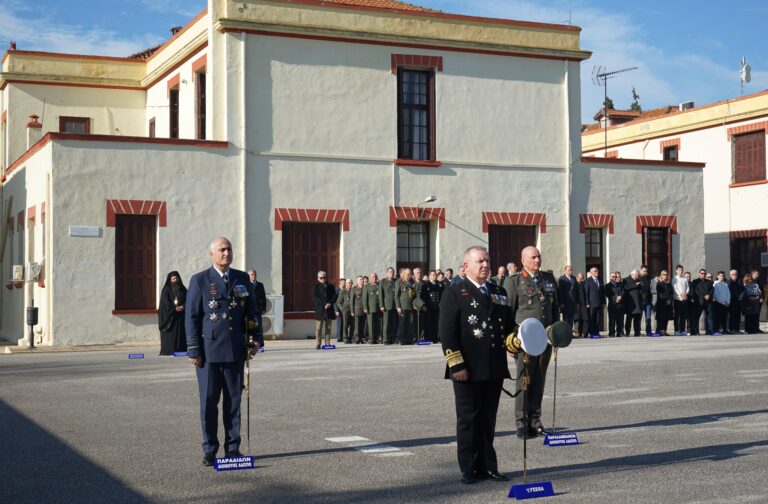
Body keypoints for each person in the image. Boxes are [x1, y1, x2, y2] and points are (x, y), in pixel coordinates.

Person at [185, 237, 262, 466]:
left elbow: (253, 312)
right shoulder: (200, 280)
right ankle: (209, 449)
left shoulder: (241, 279)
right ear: (212, 253)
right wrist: (193, 350)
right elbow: (192, 317)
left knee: (234, 402)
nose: (226, 253)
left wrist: (256, 339)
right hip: (208, 354)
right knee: (209, 403)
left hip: (236, 351)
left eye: (229, 249)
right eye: (222, 250)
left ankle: (233, 448)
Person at [440, 246, 513, 484]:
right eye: (480, 261)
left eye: (488, 261)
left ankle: (487, 466)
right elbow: (447, 334)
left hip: (493, 366)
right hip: (467, 368)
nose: (485, 265)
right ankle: (468, 468)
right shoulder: (455, 292)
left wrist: (518, 342)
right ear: (466, 266)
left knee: (488, 418)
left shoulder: (498, 291)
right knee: (468, 419)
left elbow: (509, 326)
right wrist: (456, 366)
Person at [504, 246, 558, 439]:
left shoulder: (548, 279)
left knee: (539, 379)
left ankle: (536, 420)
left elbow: (555, 310)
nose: (537, 260)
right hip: (524, 340)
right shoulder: (514, 281)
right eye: (533, 257)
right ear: (523, 260)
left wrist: (556, 334)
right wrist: (509, 342)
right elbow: (507, 314)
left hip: (544, 338)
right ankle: (521, 422)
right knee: (523, 380)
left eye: (538, 256)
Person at [159, 271, 188, 355]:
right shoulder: (166, 290)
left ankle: (181, 350)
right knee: (171, 334)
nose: (175, 280)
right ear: (170, 279)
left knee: (181, 333)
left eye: (176, 278)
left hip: (181, 315)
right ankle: (169, 350)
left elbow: (188, 299)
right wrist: (175, 308)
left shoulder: (183, 289)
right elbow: (165, 302)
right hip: (171, 316)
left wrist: (183, 306)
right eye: (173, 278)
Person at [312, 271, 338, 349]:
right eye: (321, 278)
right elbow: (315, 298)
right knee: (318, 328)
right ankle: (318, 343)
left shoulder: (331, 286)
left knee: (328, 327)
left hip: (329, 310)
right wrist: (324, 304)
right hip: (320, 310)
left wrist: (329, 303)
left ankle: (327, 342)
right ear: (318, 278)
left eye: (324, 277)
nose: (323, 279)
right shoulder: (315, 287)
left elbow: (334, 296)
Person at [395, 268, 417, 344]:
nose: (409, 276)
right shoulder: (399, 282)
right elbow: (397, 296)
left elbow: (414, 294)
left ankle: (409, 339)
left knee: (410, 323)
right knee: (402, 323)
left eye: (410, 274)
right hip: (402, 306)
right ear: (403, 274)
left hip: (410, 306)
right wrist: (398, 306)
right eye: (407, 274)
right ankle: (401, 339)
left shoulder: (412, 282)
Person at [422, 270, 443, 342]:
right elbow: (423, 296)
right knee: (429, 323)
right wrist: (423, 305)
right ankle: (428, 337)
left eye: (435, 275)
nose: (435, 276)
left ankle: (435, 338)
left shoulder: (439, 284)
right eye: (433, 275)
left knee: (436, 322)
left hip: (437, 306)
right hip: (428, 306)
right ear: (430, 276)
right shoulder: (426, 285)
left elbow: (442, 295)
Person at [379, 267, 398, 344]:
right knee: (386, 323)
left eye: (393, 272)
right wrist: (381, 305)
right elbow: (380, 294)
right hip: (387, 306)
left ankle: (392, 338)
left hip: (395, 305)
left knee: (393, 323)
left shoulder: (396, 281)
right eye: (390, 272)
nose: (392, 273)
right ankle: (386, 338)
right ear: (387, 273)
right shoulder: (383, 281)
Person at [363, 272, 382, 344]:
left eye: (375, 277)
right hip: (370, 308)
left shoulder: (378, 285)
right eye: (373, 277)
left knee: (377, 324)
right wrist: (365, 307)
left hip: (378, 308)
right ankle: (371, 339)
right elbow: (365, 298)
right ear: (370, 278)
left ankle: (376, 338)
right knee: (370, 325)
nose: (374, 278)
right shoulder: (367, 286)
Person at [584, 267, 604, 337]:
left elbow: (602, 292)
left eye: (597, 270)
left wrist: (603, 302)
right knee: (592, 318)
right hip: (591, 303)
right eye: (595, 271)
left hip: (599, 303)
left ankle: (597, 332)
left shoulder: (600, 280)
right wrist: (587, 303)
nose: (597, 272)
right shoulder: (588, 281)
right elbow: (586, 292)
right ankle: (592, 332)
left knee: (598, 319)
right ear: (591, 272)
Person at [622, 269, 643, 336]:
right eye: (637, 275)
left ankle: (637, 332)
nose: (638, 277)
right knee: (629, 319)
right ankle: (627, 332)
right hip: (630, 303)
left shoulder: (638, 280)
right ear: (632, 274)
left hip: (638, 302)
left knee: (637, 319)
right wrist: (635, 285)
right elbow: (626, 288)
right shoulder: (626, 280)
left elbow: (641, 290)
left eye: (638, 275)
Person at [605, 271, 625, 337]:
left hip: (620, 305)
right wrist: (615, 298)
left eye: (615, 277)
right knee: (612, 320)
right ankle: (611, 333)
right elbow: (608, 294)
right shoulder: (607, 285)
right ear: (610, 277)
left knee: (620, 320)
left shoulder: (620, 285)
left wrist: (620, 297)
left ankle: (619, 332)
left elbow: (623, 292)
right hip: (612, 305)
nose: (614, 278)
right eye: (613, 277)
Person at [671, 265, 689, 336]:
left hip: (684, 299)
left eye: (681, 270)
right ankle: (676, 330)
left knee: (683, 315)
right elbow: (674, 288)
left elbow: (687, 287)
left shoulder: (684, 279)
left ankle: (683, 330)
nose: (680, 271)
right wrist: (680, 294)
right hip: (677, 299)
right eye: (679, 270)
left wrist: (685, 293)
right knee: (677, 316)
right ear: (676, 271)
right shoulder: (674, 278)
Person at [655, 270, 673, 336]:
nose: (665, 276)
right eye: (663, 275)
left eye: (666, 275)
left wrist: (669, 300)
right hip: (661, 303)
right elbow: (660, 293)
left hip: (668, 303)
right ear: (661, 275)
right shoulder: (659, 283)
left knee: (666, 318)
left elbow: (671, 292)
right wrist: (662, 282)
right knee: (661, 318)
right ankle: (660, 331)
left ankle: (665, 331)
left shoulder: (669, 283)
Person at [727, 270, 744, 334]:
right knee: (732, 316)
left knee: (738, 316)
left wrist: (741, 296)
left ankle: (737, 329)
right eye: (733, 274)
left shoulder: (739, 282)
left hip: (738, 302)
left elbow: (743, 290)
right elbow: (729, 292)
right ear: (730, 275)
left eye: (735, 274)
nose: (734, 276)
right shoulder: (729, 282)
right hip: (731, 302)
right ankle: (731, 329)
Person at [639, 265, 653, 336]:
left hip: (647, 301)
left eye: (646, 271)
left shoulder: (649, 279)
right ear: (640, 270)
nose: (645, 272)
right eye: (644, 271)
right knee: (639, 318)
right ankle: (638, 332)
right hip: (640, 302)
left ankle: (648, 331)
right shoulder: (638, 278)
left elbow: (650, 290)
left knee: (648, 318)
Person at [351, 276, 366, 344]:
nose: (362, 280)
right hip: (357, 309)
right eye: (360, 279)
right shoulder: (354, 289)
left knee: (363, 325)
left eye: (362, 279)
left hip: (364, 309)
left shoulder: (365, 287)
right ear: (357, 281)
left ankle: (362, 338)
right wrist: (352, 311)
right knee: (357, 326)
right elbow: (352, 300)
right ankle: (356, 339)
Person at [573, 272, 588, 337]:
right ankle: (577, 332)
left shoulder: (584, 284)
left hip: (583, 304)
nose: (581, 280)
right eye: (580, 278)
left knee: (584, 318)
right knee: (577, 319)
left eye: (582, 278)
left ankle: (584, 333)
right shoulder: (574, 284)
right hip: (576, 304)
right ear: (577, 278)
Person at [334, 278, 346, 343]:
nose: (344, 283)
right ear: (340, 283)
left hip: (345, 309)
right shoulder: (336, 290)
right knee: (339, 323)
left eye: (345, 282)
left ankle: (343, 336)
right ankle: (339, 337)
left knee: (344, 324)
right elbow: (335, 301)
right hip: (339, 310)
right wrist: (336, 310)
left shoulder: (345, 290)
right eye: (343, 282)